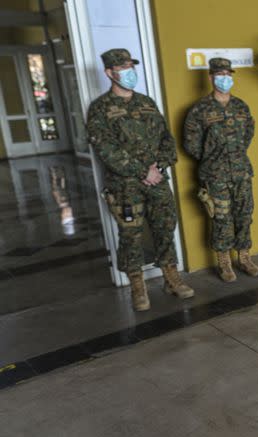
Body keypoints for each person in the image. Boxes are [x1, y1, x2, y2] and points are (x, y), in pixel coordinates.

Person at [87, 48, 194, 312]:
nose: (129, 72)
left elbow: (166, 139)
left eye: (130, 66)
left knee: (165, 228)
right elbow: (106, 150)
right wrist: (141, 171)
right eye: (123, 68)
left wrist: (160, 165)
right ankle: (138, 287)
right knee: (131, 234)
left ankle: (172, 278)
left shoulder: (147, 103)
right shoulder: (100, 109)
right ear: (109, 73)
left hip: (157, 180)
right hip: (125, 186)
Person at [183, 57, 258, 282]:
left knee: (245, 215)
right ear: (210, 77)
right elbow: (191, 143)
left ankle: (244, 257)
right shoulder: (199, 110)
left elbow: (248, 134)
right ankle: (225, 263)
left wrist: (233, 154)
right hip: (215, 174)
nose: (225, 79)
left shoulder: (241, 106)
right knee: (222, 218)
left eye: (228, 75)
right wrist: (213, 159)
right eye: (220, 75)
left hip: (241, 171)